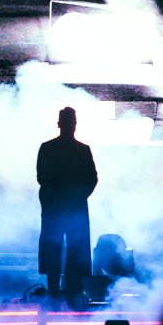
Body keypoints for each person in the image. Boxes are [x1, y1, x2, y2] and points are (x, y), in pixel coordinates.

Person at [36, 106, 97, 303]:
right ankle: (71, 289)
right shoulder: (81, 150)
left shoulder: (48, 148)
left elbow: (41, 177)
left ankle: (58, 288)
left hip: (58, 207)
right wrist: (77, 196)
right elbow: (91, 179)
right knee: (72, 246)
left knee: (57, 246)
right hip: (71, 207)